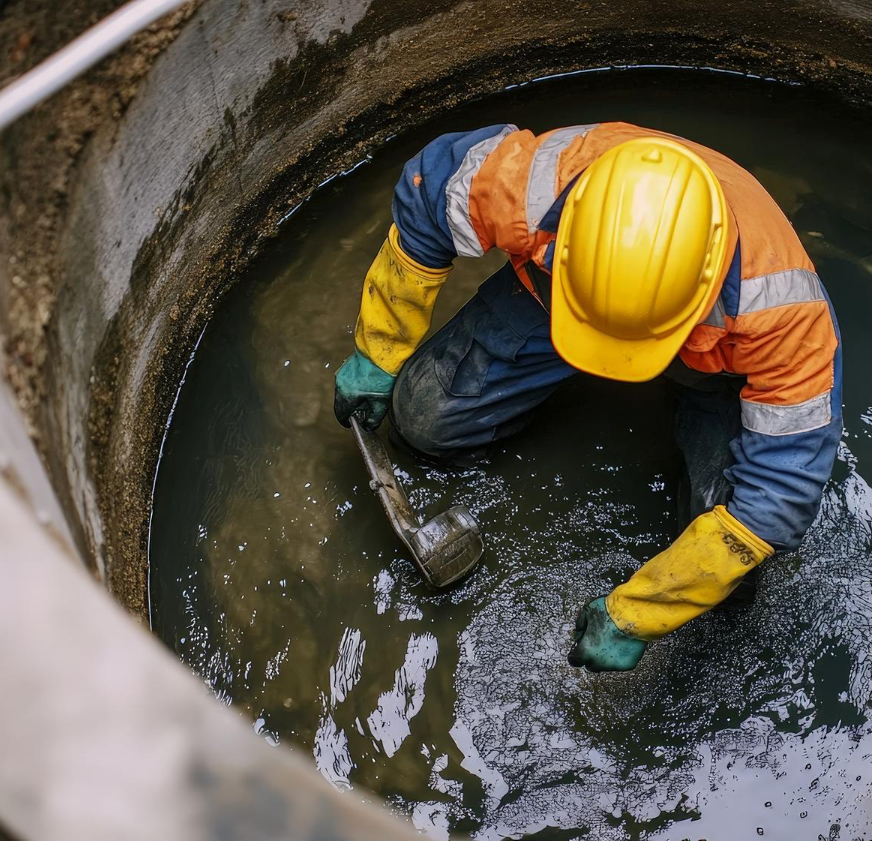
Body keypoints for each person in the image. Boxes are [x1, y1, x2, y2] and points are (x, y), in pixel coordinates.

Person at [333, 122, 842, 672]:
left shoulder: (783, 316)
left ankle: (690, 409)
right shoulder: (528, 189)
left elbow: (776, 499)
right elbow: (427, 192)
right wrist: (378, 349)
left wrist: (641, 614)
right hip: (557, 302)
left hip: (717, 370)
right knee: (423, 421)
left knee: (731, 570)